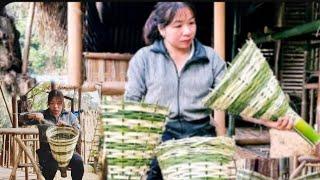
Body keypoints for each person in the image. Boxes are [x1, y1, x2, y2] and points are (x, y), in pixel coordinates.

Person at [124, 2, 293, 179]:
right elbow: (131, 103)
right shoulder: (144, 58)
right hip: (158, 136)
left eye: (191, 23)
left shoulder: (210, 58)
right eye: (178, 26)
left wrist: (269, 121)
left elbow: (234, 100)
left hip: (201, 138)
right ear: (161, 29)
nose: (188, 31)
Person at [26, 90, 84, 180]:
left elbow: (78, 130)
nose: (55, 107)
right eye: (52, 103)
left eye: (59, 103)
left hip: (67, 151)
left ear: (63, 104)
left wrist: (68, 126)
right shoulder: (43, 114)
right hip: (47, 151)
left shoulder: (69, 115)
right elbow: (21, 118)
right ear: (48, 104)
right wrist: (32, 116)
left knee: (78, 162)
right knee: (51, 164)